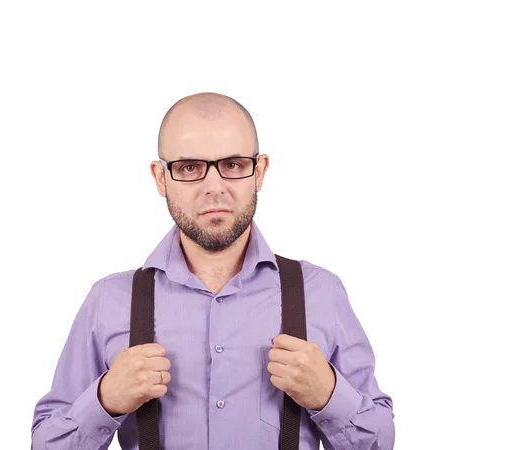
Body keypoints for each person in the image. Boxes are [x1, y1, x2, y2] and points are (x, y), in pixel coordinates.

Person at [30, 92, 395, 449]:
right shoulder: (109, 300)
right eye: (190, 167)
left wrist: (329, 394)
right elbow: (45, 442)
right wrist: (105, 400)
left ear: (260, 171)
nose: (214, 187)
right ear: (161, 178)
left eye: (233, 165)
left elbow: (380, 441)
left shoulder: (321, 292)